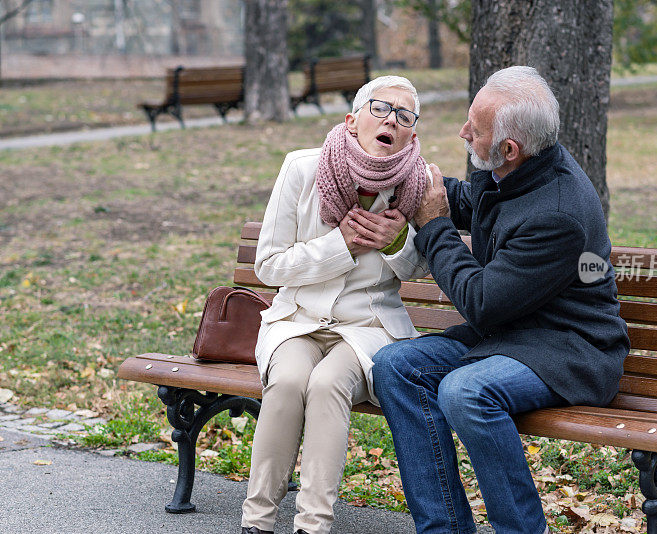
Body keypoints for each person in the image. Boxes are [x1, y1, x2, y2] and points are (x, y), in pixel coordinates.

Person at [371, 66, 630, 534]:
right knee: (396, 366)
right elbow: (468, 200)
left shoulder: (557, 213)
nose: (463, 133)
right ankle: (444, 529)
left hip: (569, 350)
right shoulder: (519, 170)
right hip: (512, 337)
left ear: (509, 149)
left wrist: (432, 225)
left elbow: (481, 301)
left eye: (476, 129)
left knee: (466, 391)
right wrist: (401, 176)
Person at [241, 76, 430, 534]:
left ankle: (313, 526)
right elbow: (268, 266)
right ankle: (256, 522)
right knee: (287, 383)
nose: (392, 120)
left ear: (412, 135)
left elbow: (417, 270)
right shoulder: (302, 169)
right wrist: (339, 245)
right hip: (297, 321)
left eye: (404, 116)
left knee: (327, 385)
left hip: (367, 327)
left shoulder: (419, 183)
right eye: (381, 108)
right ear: (351, 122)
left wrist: (396, 239)